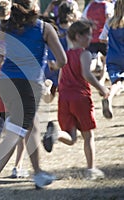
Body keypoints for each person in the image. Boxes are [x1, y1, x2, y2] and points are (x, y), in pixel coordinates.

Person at [0, 0, 67, 197]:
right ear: (34, 6)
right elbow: (63, 60)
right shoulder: (44, 28)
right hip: (29, 85)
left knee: (32, 126)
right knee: (17, 130)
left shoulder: (7, 26)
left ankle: (38, 173)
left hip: (6, 83)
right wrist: (51, 65)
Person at [43, 20, 109, 180]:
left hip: (64, 98)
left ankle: (56, 134)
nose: (90, 38)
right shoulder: (84, 54)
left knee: (71, 138)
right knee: (88, 136)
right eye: (88, 35)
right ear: (78, 36)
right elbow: (86, 74)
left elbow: (59, 77)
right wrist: (102, 88)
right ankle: (91, 169)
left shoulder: (64, 55)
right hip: (80, 98)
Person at [42, 1, 76, 103]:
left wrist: (49, 8)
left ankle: (46, 88)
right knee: (65, 94)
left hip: (50, 64)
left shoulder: (54, 27)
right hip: (63, 66)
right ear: (70, 15)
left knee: (48, 99)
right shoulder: (72, 30)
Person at [99, 0, 124, 119]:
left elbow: (102, 38)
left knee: (116, 82)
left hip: (113, 57)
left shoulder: (110, 22)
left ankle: (109, 97)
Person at [82, 0, 114, 85]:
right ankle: (102, 80)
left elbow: (84, 18)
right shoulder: (108, 5)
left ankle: (85, 76)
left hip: (92, 38)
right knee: (106, 60)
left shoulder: (90, 5)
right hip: (104, 38)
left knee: (91, 62)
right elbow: (109, 18)